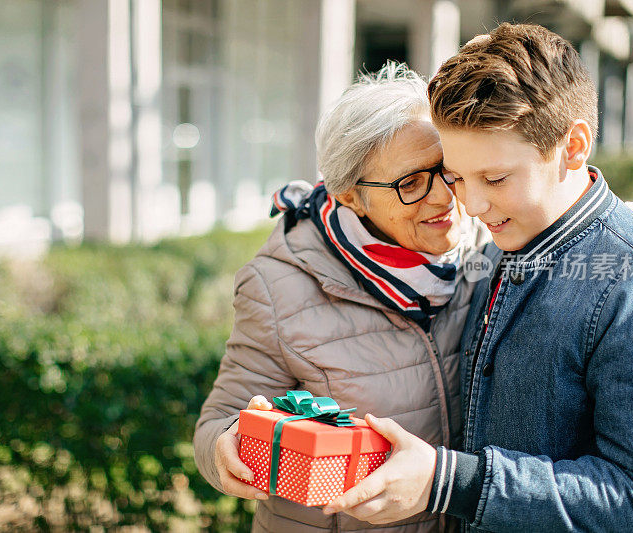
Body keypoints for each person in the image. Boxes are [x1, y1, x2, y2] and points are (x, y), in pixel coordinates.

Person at [324, 23, 633, 532]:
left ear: (574, 146)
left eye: (494, 179)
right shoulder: (504, 246)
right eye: (457, 177)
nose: (470, 204)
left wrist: (448, 481)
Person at [193, 62, 493, 532]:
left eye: (447, 170)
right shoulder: (280, 286)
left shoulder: (490, 244)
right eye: (411, 183)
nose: (444, 197)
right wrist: (227, 447)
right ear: (352, 196)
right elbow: (222, 418)